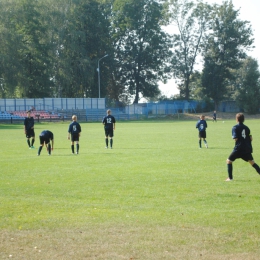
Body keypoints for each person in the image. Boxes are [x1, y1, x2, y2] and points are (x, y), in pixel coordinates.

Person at [226, 113, 260, 181]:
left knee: (229, 161)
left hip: (239, 148)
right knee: (252, 162)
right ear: (243, 119)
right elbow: (251, 138)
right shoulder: (247, 128)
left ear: (237, 119)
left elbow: (235, 138)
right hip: (246, 148)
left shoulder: (235, 127)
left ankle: (230, 178)